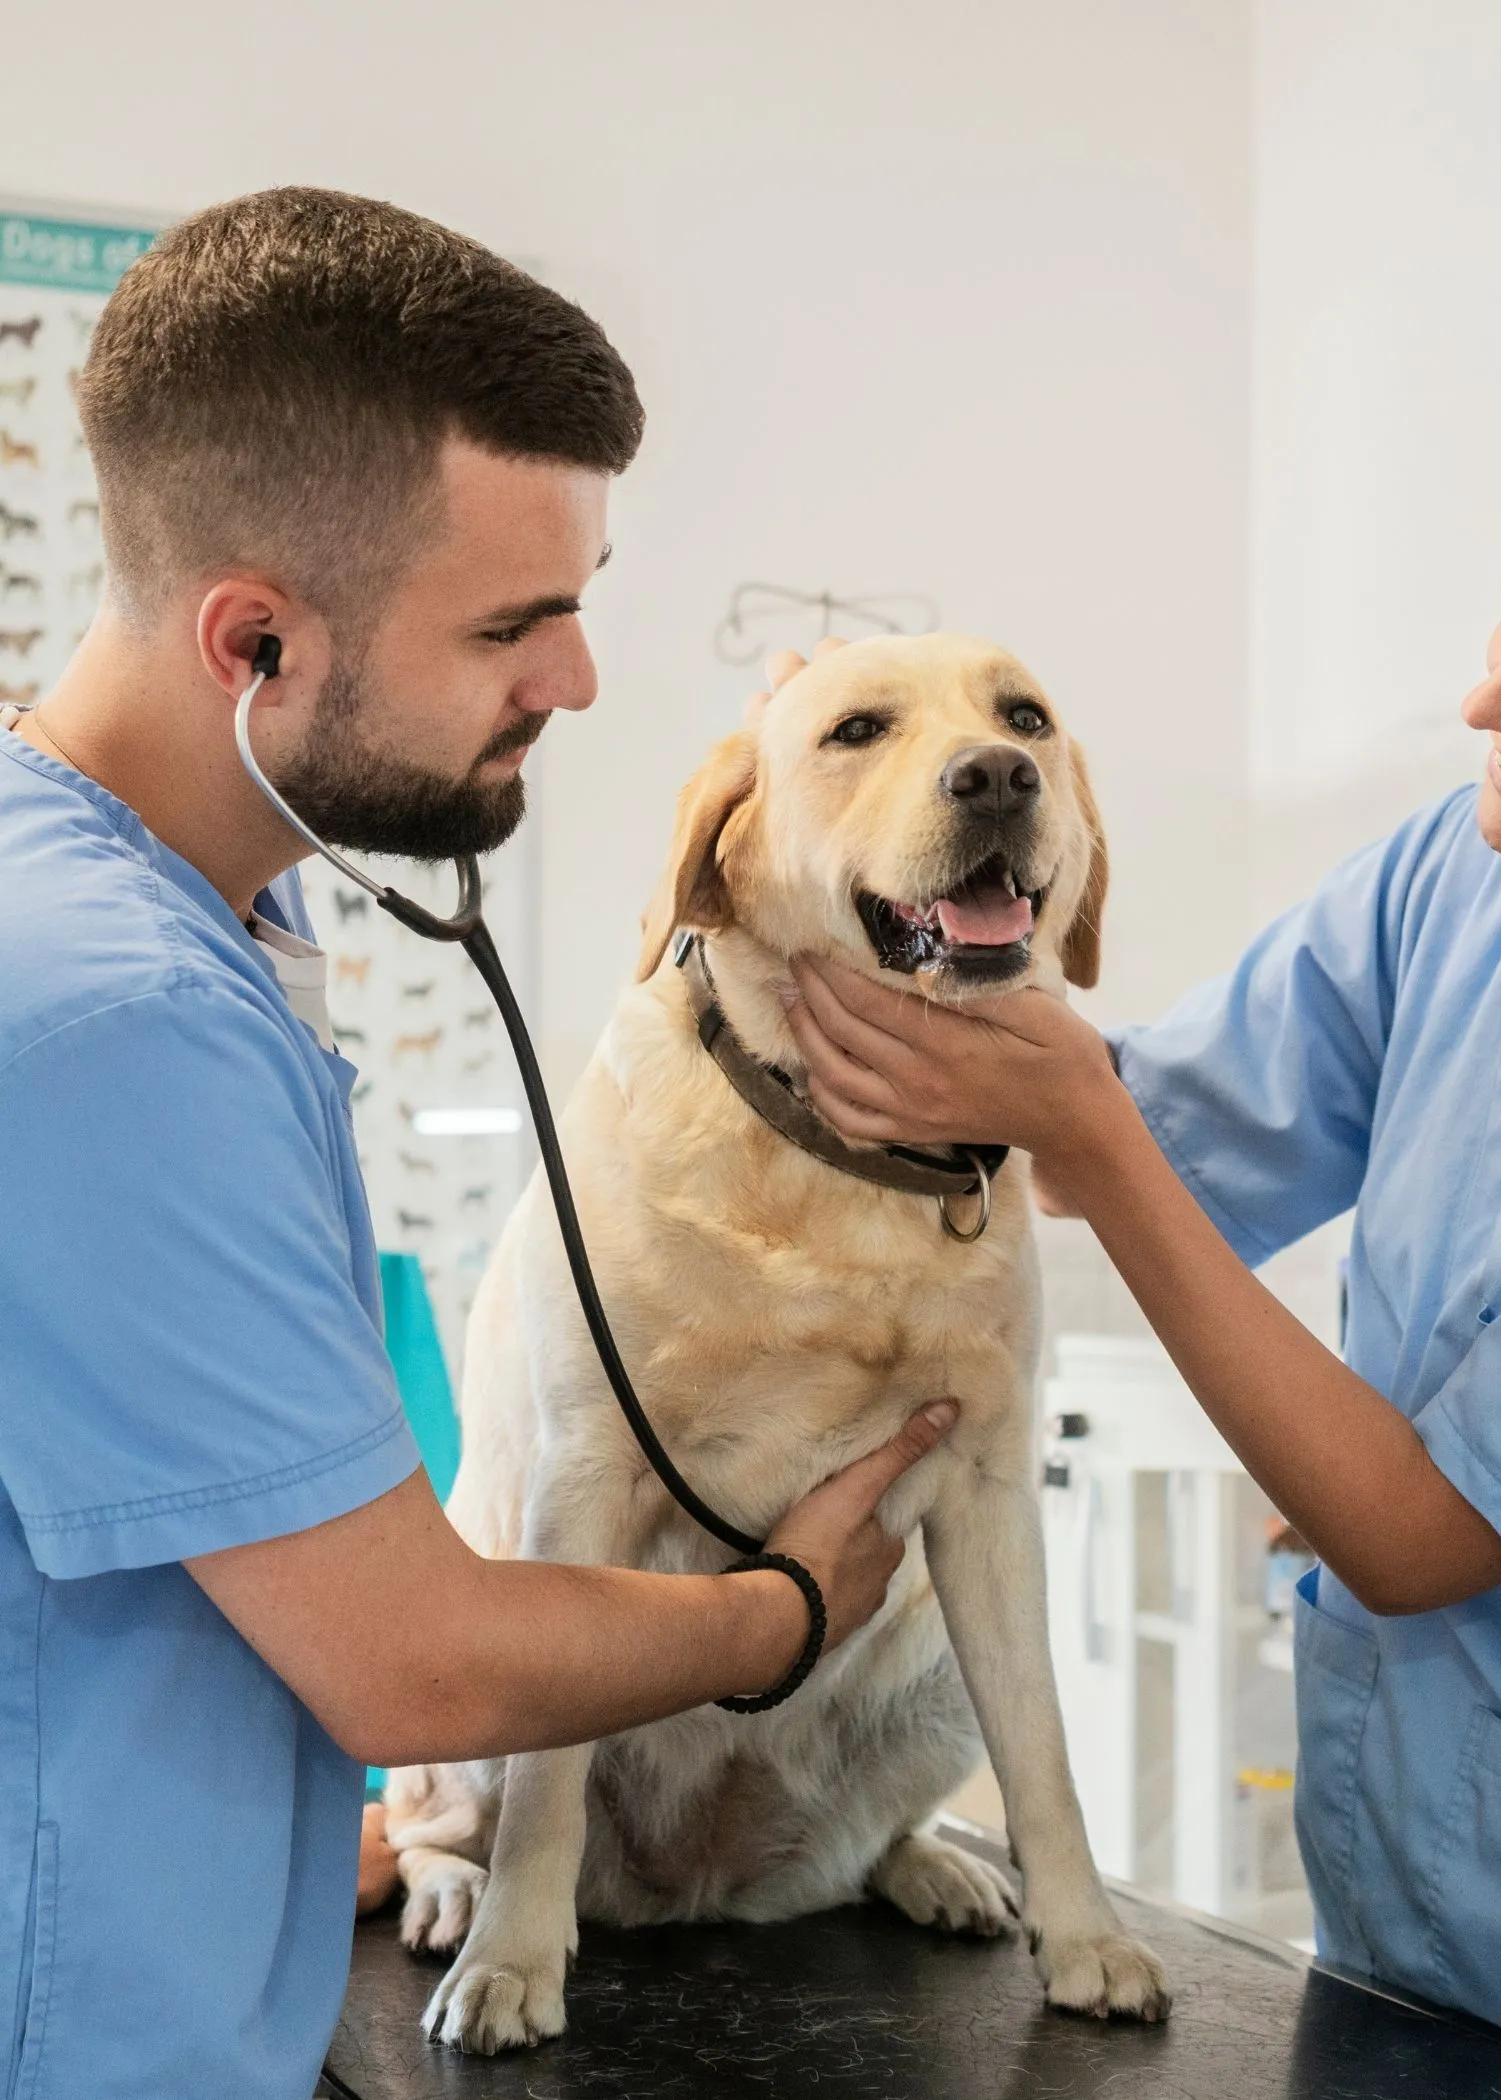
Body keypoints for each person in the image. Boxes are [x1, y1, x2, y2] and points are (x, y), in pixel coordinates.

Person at [782, 383, 1501, 2100]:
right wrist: (889, 958)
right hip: (1395, 1900)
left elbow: (1416, 1539)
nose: (1488, 704)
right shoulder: (1475, 872)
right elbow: (1152, 1136)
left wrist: (1074, 1116)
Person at [0, 188, 958, 2100]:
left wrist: (262, 1829)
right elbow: (415, 1666)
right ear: (255, 638)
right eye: (518, 625)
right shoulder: (123, 1015)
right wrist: (779, 1615)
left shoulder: (189, 921)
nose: (578, 681)